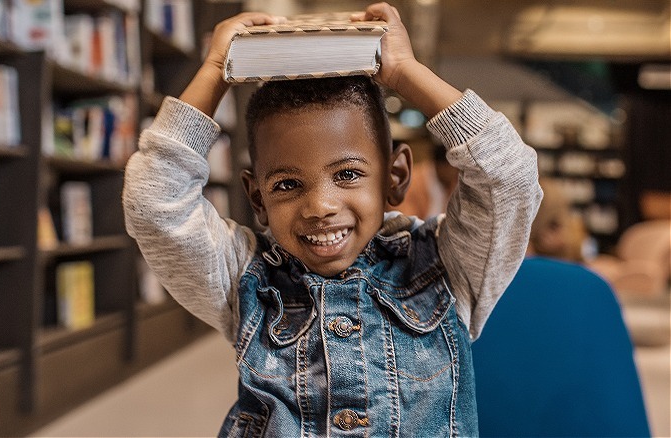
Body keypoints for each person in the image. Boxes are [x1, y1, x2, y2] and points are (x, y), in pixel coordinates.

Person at [122, 2, 542, 436]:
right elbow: (153, 203)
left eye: (347, 174)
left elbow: (507, 176)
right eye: (287, 184)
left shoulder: (448, 268)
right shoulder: (242, 278)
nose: (320, 206)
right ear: (257, 198)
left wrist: (403, 72)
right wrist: (214, 69)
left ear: (395, 178)